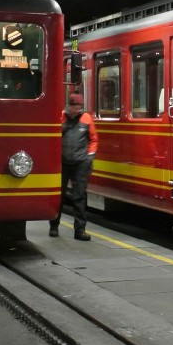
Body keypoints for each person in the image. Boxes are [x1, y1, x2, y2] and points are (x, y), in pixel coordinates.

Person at [50, 92, 98, 241]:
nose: (75, 110)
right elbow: (52, 138)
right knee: (59, 197)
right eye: (73, 107)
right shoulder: (60, 117)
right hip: (62, 163)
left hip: (80, 164)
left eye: (78, 107)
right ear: (68, 106)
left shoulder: (86, 118)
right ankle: (54, 226)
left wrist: (89, 157)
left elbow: (94, 140)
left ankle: (80, 230)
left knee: (79, 197)